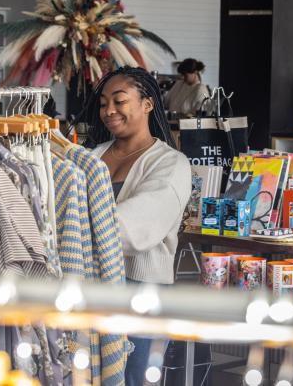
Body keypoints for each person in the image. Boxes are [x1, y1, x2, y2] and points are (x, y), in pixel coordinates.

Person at [84, 66, 192, 386]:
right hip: (93, 285)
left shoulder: (171, 164)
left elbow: (138, 226)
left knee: (132, 380)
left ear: (147, 104)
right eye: (104, 103)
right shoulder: (90, 157)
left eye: (119, 101)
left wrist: (70, 228)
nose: (109, 111)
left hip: (141, 291)